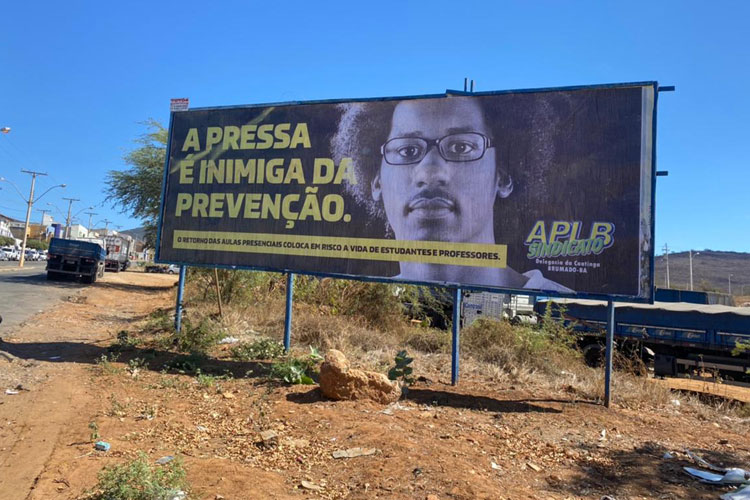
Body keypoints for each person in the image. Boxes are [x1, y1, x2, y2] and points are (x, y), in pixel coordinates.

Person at [333, 96, 571, 293]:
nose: (430, 172)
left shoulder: (560, 304)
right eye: (407, 150)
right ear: (376, 181)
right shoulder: (364, 302)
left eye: (461, 147)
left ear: (503, 175)